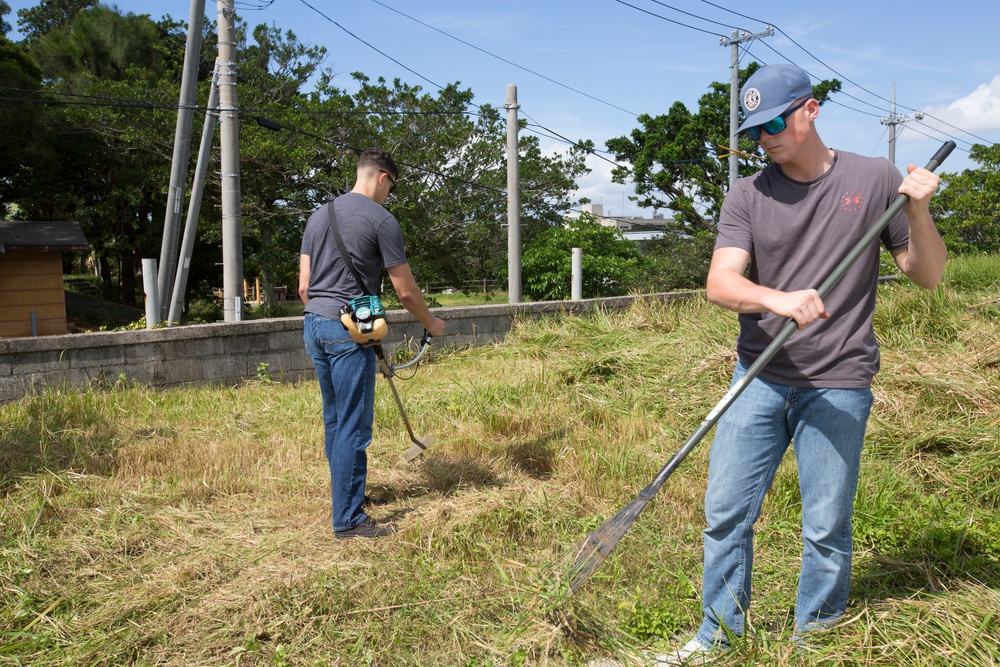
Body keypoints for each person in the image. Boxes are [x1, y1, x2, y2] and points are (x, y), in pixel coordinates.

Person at [663, 63, 947, 663]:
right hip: (758, 377)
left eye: (773, 123)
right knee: (725, 515)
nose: (764, 137)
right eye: (753, 130)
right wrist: (777, 298)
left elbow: (927, 276)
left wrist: (917, 210)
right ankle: (719, 636)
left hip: (838, 381)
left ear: (810, 111)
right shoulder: (748, 193)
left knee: (825, 526)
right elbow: (720, 282)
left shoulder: (874, 179)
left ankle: (814, 639)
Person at [298, 148, 446, 540]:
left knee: (335, 419)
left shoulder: (317, 216)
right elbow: (405, 291)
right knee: (353, 424)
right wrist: (431, 322)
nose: (389, 196)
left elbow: (303, 287)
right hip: (347, 330)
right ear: (383, 178)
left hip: (314, 324)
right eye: (391, 188)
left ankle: (348, 496)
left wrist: (326, 315)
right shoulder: (382, 220)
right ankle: (347, 519)